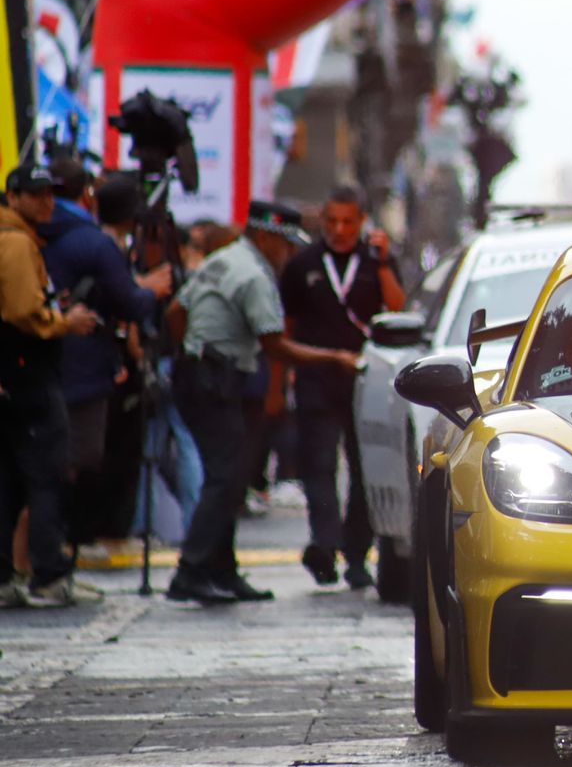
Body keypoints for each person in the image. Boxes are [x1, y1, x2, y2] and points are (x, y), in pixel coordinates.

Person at [165, 201, 361, 604]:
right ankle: (191, 571)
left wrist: (193, 349)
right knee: (224, 479)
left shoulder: (224, 260)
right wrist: (335, 358)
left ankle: (221, 571)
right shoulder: (254, 275)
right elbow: (276, 345)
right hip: (214, 381)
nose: (288, 254)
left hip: (198, 374)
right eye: (285, 244)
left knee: (230, 476)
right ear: (267, 237)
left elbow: (175, 311)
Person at [39, 163, 173, 551]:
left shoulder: (56, 235)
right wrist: (149, 291)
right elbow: (130, 303)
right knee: (77, 457)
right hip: (80, 366)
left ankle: (48, 549)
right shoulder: (91, 242)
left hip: (60, 363)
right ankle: (61, 544)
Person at [279, 186, 405, 590]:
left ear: (362, 221)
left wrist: (383, 264)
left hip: (365, 380)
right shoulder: (303, 264)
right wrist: (283, 380)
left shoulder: (376, 262)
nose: (339, 229)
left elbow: (397, 308)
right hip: (316, 378)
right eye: (331, 221)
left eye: (348, 221)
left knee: (364, 467)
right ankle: (324, 544)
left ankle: (355, 555)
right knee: (317, 465)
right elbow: (287, 326)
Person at [0, 164, 101, 607]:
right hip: (27, 374)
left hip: (12, 374)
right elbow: (25, 313)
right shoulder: (17, 242)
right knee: (45, 475)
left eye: (50, 194)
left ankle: (6, 575)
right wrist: (65, 321)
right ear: (13, 196)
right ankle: (48, 573)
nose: (46, 202)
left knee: (9, 481)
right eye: (36, 194)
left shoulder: (17, 237)